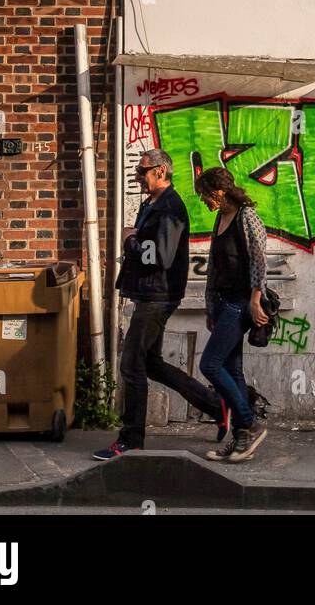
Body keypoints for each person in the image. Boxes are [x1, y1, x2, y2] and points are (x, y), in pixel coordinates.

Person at [93, 148, 227, 460]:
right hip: (148, 292)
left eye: (143, 172)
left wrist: (130, 241)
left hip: (157, 295)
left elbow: (160, 257)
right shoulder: (152, 203)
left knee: (131, 364)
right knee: (150, 364)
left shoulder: (170, 208)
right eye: (139, 172)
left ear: (161, 172)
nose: (138, 177)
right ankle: (215, 405)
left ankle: (131, 439)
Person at [195, 166, 270, 463]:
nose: (203, 201)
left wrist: (255, 300)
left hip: (240, 303)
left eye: (204, 195)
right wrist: (209, 306)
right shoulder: (220, 217)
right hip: (223, 303)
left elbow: (258, 260)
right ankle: (242, 439)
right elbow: (215, 267)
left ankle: (248, 421)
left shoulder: (246, 216)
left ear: (218, 192)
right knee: (233, 369)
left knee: (210, 365)